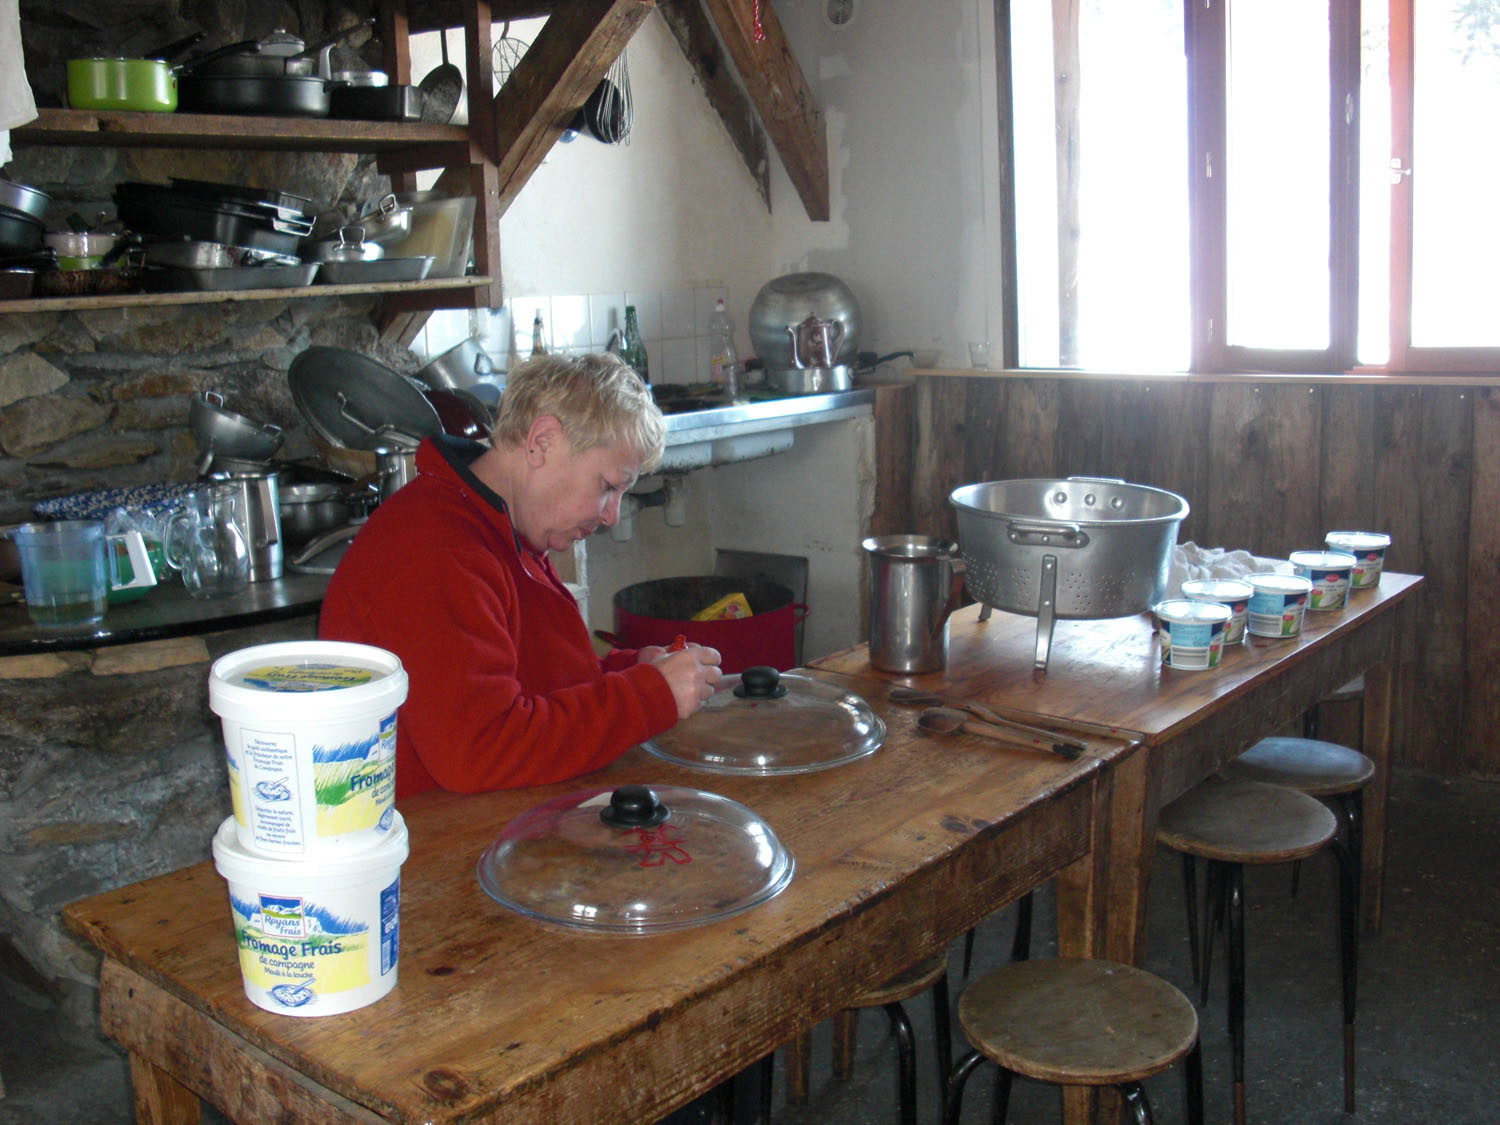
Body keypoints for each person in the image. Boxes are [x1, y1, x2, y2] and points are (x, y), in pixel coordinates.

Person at [319, 351, 722, 799]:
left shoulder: (500, 526)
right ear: (542, 443)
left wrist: (636, 671)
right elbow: (480, 750)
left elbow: (536, 687)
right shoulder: (440, 553)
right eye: (608, 486)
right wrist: (649, 696)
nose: (611, 515)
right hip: (428, 831)